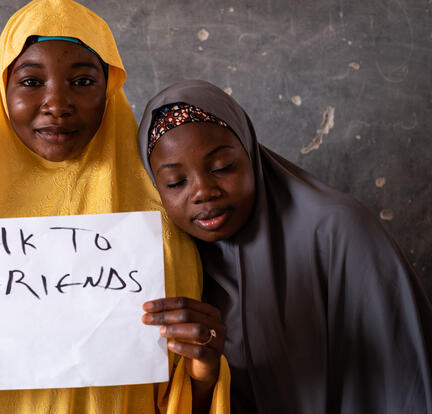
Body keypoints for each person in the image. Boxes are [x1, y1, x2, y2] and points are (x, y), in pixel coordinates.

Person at [0, 1, 229, 414]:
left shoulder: (165, 211)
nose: (57, 103)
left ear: (110, 89)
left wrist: (204, 369)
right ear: (2, 87)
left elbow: (180, 387)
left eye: (83, 81)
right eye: (30, 82)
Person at [138, 79, 432, 413]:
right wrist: (204, 374)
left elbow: (402, 384)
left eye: (223, 167)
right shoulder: (162, 265)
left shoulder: (338, 233)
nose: (203, 191)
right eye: (176, 182)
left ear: (251, 156)